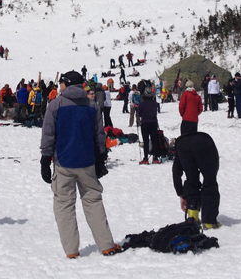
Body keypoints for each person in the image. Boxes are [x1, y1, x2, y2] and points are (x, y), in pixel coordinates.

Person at [40, 71, 120, 258]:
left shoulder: (55, 104)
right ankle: (107, 245)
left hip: (63, 163)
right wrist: (101, 159)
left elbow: (48, 134)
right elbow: (99, 135)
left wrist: (45, 159)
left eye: (61, 82)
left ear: (66, 84)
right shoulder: (92, 105)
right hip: (87, 162)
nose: (59, 85)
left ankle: (71, 251)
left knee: (64, 205)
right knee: (93, 201)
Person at [172, 129, 221, 228]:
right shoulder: (203, 141)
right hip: (205, 142)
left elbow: (176, 172)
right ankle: (209, 221)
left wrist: (181, 194)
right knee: (210, 180)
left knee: (191, 179)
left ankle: (192, 216)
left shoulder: (180, 145)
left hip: (183, 145)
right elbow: (213, 171)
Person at [138, 87, 160, 164]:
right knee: (154, 141)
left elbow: (139, 114)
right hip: (153, 123)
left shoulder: (142, 104)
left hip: (145, 123)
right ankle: (155, 158)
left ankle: (146, 158)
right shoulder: (155, 104)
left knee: (146, 141)